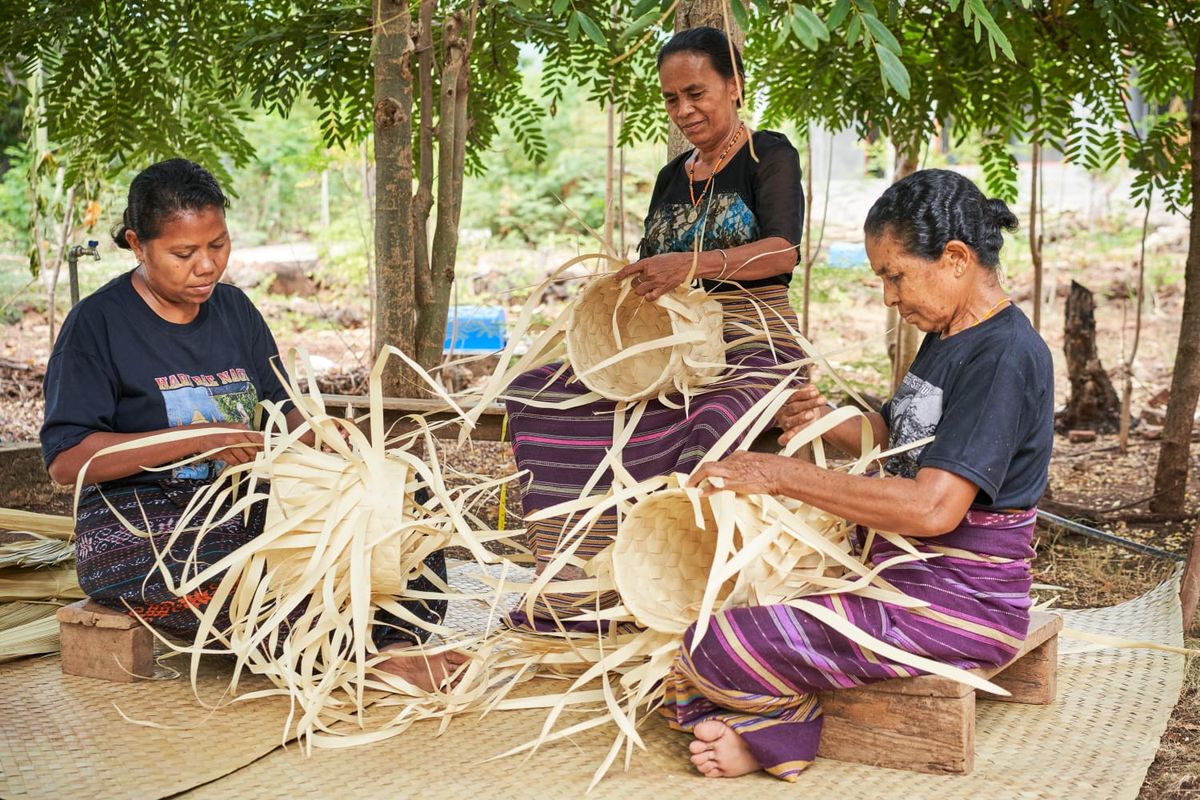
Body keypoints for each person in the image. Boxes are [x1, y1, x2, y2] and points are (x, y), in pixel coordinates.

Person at [676, 169, 1054, 780]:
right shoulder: (949, 333)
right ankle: (758, 712)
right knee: (706, 619)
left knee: (712, 645)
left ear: (955, 259)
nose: (888, 298)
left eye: (895, 275)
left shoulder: (1004, 356)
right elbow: (898, 434)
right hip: (894, 574)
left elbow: (934, 509)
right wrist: (827, 424)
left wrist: (779, 474)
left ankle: (781, 732)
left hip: (958, 603)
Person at [40, 159, 459, 689]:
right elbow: (67, 460)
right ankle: (362, 657)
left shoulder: (235, 310)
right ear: (138, 245)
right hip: (140, 525)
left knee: (401, 515)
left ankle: (397, 643)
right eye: (183, 253)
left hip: (249, 507)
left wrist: (330, 438)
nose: (207, 266)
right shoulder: (97, 325)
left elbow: (285, 407)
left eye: (218, 245)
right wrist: (196, 439)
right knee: (245, 574)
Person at [504, 27, 806, 623]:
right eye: (671, 99)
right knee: (537, 393)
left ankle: (671, 588)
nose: (685, 109)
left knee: (711, 417)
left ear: (734, 85)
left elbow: (782, 253)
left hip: (752, 339)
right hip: (669, 343)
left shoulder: (768, 156)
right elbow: (653, 271)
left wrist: (692, 263)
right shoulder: (673, 177)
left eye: (697, 92)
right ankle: (577, 578)